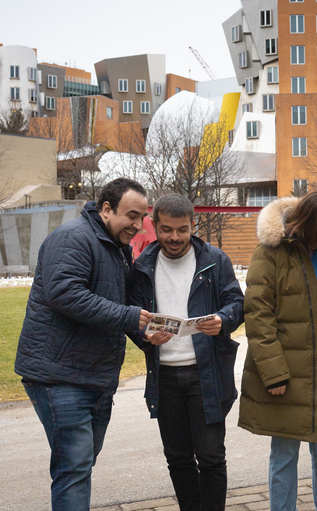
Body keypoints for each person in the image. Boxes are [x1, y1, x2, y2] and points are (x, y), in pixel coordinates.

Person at [15, 177, 152, 511]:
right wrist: (130, 318)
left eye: (142, 217)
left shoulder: (116, 248)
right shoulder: (73, 238)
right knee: (74, 468)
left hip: (95, 377)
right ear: (106, 208)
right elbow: (65, 293)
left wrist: (147, 335)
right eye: (131, 216)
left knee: (81, 463)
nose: (138, 225)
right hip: (60, 376)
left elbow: (117, 306)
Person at [239, 192, 317, 511]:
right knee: (285, 449)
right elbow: (257, 315)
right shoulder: (271, 253)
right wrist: (273, 372)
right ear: (312, 226)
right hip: (288, 357)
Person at [129, 194, 244, 511]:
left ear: (193, 225)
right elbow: (131, 316)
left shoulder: (215, 260)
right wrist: (144, 335)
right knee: (178, 458)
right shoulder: (142, 267)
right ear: (154, 225)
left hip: (205, 374)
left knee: (210, 457)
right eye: (166, 229)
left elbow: (237, 304)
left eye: (182, 229)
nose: (174, 237)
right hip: (164, 376)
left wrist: (222, 320)